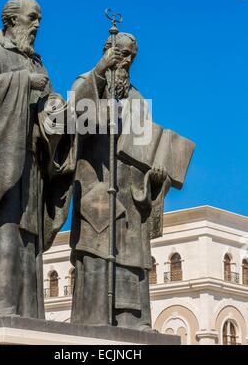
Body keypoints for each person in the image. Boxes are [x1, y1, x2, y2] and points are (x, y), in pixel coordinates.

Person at [69, 32, 194, 330]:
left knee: (132, 256)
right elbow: (70, 120)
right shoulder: (87, 83)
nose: (126, 61)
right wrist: (100, 73)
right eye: (121, 54)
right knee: (98, 252)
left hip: (131, 196)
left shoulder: (137, 100)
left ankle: (133, 321)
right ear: (107, 52)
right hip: (97, 191)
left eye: (131, 57)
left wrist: (153, 180)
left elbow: (144, 155)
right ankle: (94, 321)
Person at [0, 0, 71, 320]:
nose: (37, 25)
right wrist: (23, 83)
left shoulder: (37, 64)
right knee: (4, 236)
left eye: (40, 20)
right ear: (11, 21)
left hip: (32, 164)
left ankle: (29, 311)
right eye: (32, 18)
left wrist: (57, 110)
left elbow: (46, 111)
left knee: (28, 240)